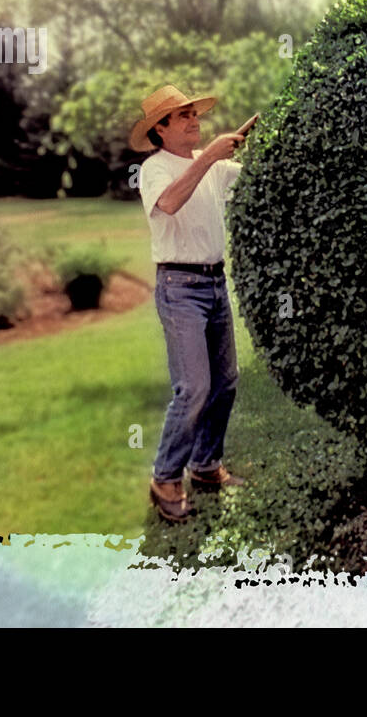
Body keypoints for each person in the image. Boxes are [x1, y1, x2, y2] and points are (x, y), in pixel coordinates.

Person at [129, 84, 257, 523]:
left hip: (214, 282)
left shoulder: (213, 168)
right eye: (182, 116)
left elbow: (255, 175)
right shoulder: (155, 169)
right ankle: (165, 476)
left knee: (225, 382)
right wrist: (209, 157)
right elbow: (169, 203)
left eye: (193, 113)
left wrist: (251, 145)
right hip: (179, 286)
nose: (193, 120)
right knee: (194, 389)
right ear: (160, 129)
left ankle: (204, 467)